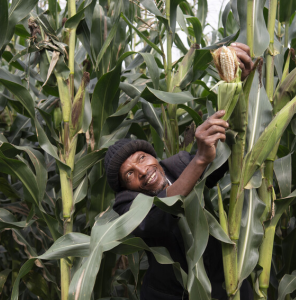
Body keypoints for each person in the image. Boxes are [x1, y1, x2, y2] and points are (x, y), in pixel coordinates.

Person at [104, 43, 254, 300]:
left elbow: (234, 154)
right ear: (125, 188)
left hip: (228, 285)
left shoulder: (177, 165)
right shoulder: (126, 206)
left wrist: (240, 85)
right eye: (129, 174)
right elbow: (161, 212)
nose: (142, 170)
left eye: (142, 158)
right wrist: (199, 161)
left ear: (153, 155)